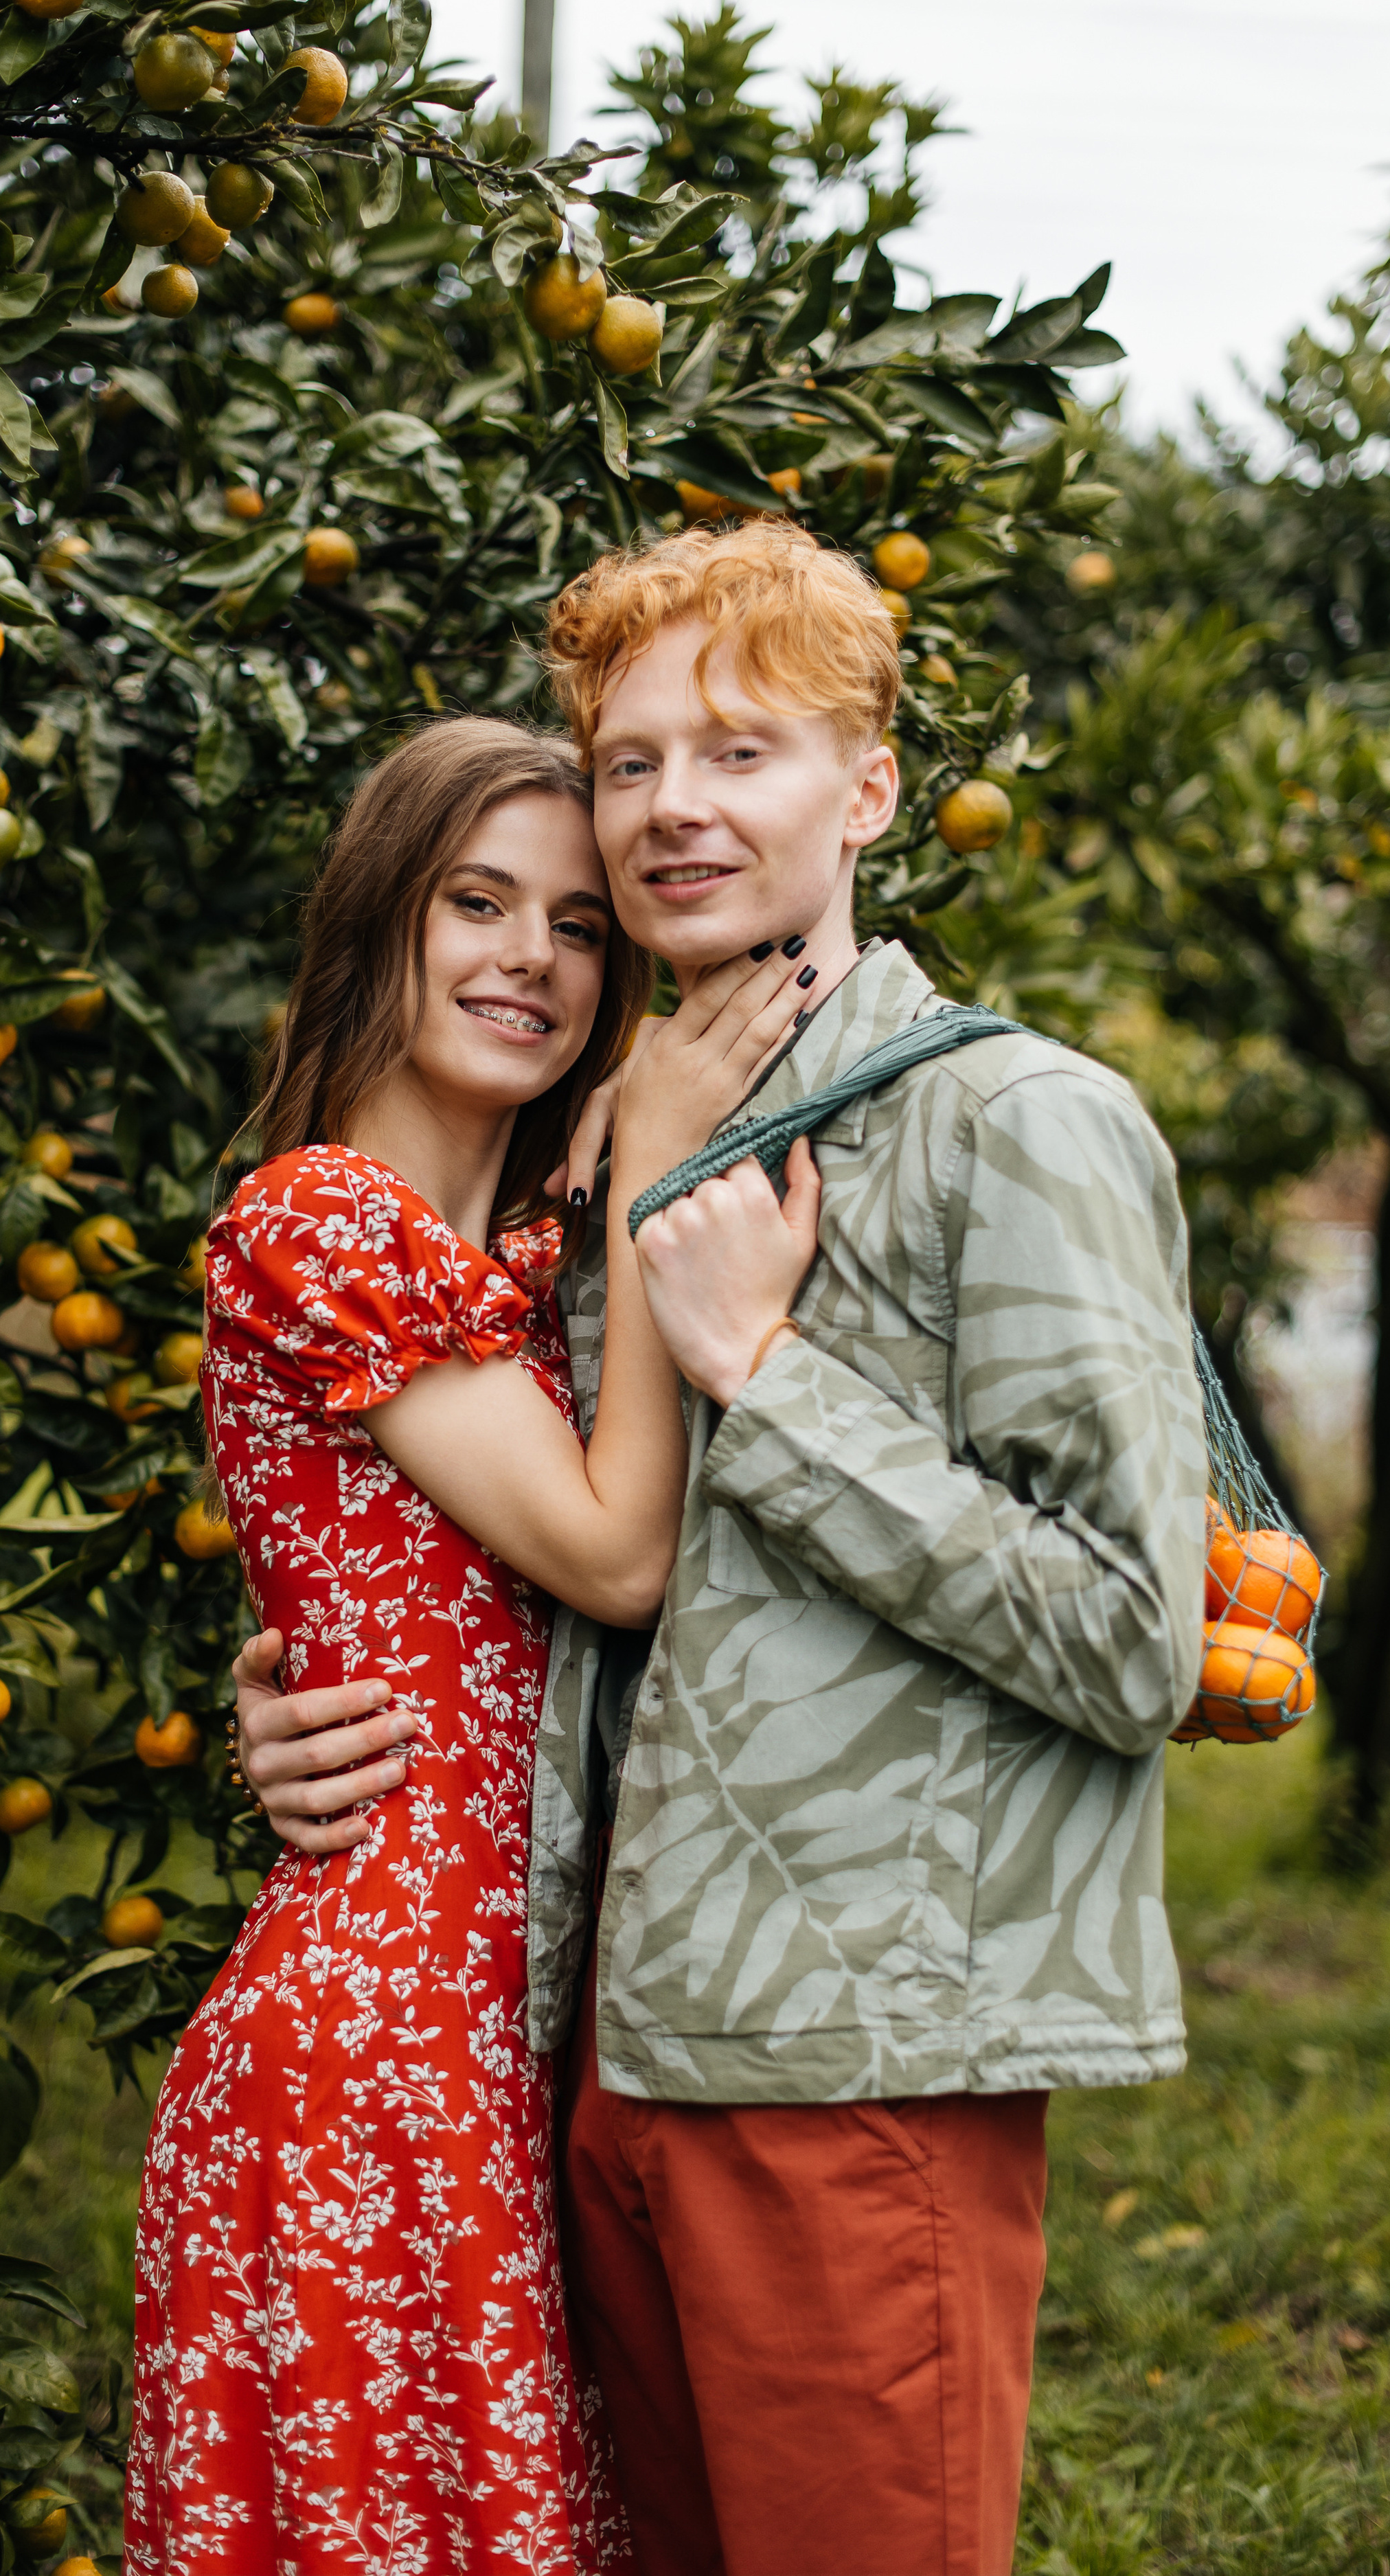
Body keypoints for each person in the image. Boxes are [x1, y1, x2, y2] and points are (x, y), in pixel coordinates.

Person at [232, 521, 1209, 2576]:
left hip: (855, 2061)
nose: (675, 805)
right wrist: (300, 1682)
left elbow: (1135, 1635)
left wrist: (764, 1373)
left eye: (741, 750)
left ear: (869, 791)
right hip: (596, 2059)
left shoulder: (1013, 1123)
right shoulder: (615, 1144)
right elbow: (492, 1541)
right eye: (633, 761)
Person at [123, 715, 815, 2576]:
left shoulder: (501, 1256)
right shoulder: (320, 1217)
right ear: (382, 920)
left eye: (581, 926)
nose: (534, 958)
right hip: (381, 2050)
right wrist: (660, 1165)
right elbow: (615, 1553)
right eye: (478, 903)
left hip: (506, 2026)